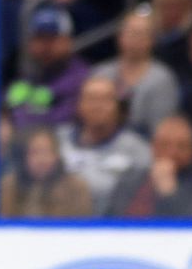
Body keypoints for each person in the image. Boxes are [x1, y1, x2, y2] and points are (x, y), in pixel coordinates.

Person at [59, 75, 152, 215]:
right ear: (79, 105)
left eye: (105, 100)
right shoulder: (58, 142)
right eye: (91, 99)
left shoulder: (138, 150)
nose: (97, 106)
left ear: (118, 107)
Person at [92, 8, 180, 136]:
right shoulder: (100, 73)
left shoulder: (163, 78)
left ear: (152, 40)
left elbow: (161, 130)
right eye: (130, 32)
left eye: (141, 34)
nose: (134, 39)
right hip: (101, 142)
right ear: (120, 36)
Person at [0, 126, 94, 218]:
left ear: (57, 155)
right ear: (22, 156)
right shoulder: (9, 185)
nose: (42, 159)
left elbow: (82, 228)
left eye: (47, 152)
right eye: (34, 152)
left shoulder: (76, 187)